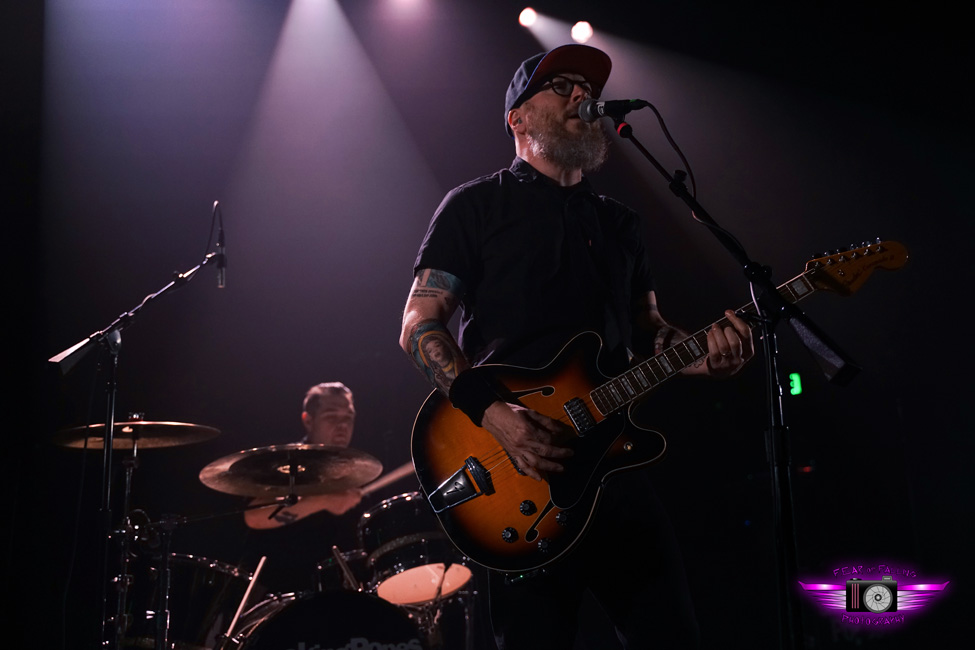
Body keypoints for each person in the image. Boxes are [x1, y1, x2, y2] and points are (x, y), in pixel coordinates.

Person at [398, 44, 754, 649]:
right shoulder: (476, 206)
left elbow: (651, 331)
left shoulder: (619, 223)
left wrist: (704, 357)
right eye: (561, 86)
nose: (582, 95)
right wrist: (495, 414)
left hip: (613, 464)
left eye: (586, 88)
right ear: (517, 117)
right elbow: (418, 324)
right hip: (519, 466)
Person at [240, 382, 365, 593]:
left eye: (348, 418)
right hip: (274, 591)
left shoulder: (358, 471)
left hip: (333, 593)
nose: (342, 425)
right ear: (308, 420)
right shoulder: (285, 462)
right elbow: (254, 516)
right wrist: (324, 500)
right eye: (331, 416)